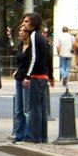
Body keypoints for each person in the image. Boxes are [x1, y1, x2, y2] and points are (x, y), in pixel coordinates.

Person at [21, 12, 54, 144]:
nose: (24, 24)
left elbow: (34, 57)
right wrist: (50, 75)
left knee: (34, 108)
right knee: (41, 108)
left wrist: (28, 76)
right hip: (44, 76)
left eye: (27, 21)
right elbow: (49, 56)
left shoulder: (34, 36)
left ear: (33, 24)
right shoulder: (42, 37)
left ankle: (33, 137)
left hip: (36, 75)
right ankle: (42, 136)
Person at [11, 24, 31, 143]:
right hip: (19, 78)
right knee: (18, 109)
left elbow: (31, 63)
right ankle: (18, 134)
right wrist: (17, 71)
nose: (21, 33)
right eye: (20, 31)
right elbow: (20, 62)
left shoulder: (31, 47)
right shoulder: (20, 46)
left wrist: (27, 76)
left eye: (24, 31)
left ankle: (27, 135)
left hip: (27, 79)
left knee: (26, 109)